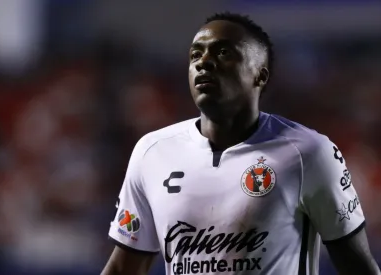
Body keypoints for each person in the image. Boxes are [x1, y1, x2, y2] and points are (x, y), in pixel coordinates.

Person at [101, 12, 381, 275]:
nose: (204, 62)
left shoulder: (308, 152)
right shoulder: (152, 152)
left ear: (260, 74)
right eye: (195, 54)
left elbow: (356, 265)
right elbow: (124, 267)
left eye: (223, 52)